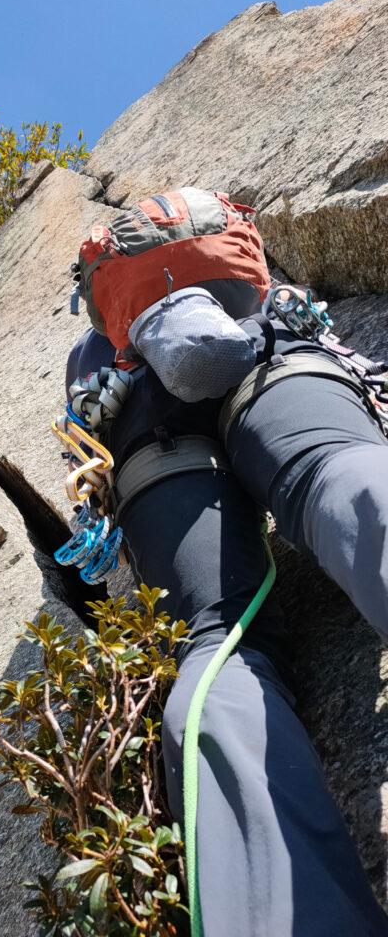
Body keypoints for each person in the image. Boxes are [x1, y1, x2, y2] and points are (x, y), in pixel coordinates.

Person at [64, 188, 388, 936]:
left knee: (213, 645)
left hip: (143, 432)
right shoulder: (249, 285)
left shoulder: (91, 351)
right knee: (342, 474)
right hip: (278, 363)